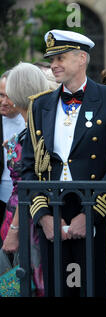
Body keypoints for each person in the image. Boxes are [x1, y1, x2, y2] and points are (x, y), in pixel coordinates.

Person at [21, 29, 106, 297]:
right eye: (51, 60)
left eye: (61, 58)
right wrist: (43, 217)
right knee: (59, 288)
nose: (54, 65)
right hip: (53, 207)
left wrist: (89, 214)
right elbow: (29, 168)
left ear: (82, 58)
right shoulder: (40, 104)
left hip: (94, 206)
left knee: (93, 286)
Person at [1, 62, 49, 297]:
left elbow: (25, 187)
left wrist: (14, 229)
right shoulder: (36, 124)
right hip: (22, 214)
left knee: (21, 279)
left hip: (24, 217)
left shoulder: (32, 130)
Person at [0, 71, 26, 243]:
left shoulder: (30, 120)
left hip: (22, 200)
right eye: (0, 95)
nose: (3, 102)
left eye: (8, 96)